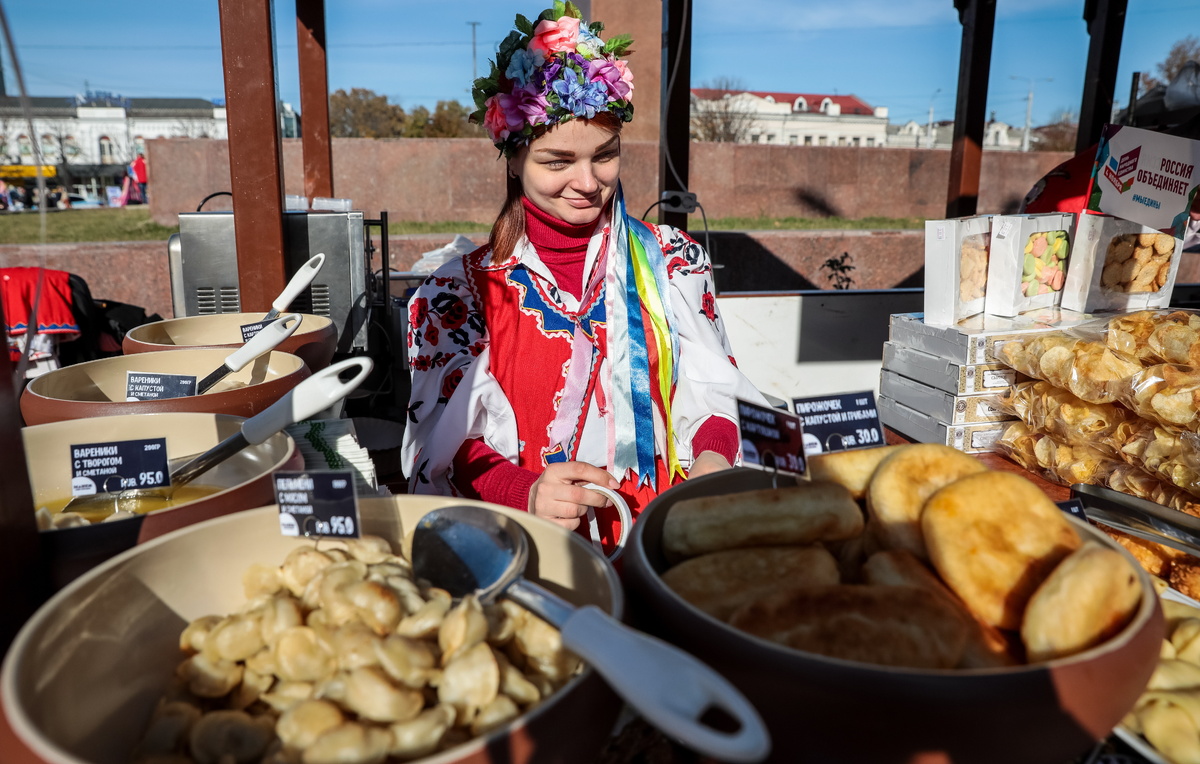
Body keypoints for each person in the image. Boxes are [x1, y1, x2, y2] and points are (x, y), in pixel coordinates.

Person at [400, 1, 767, 556]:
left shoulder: (671, 262)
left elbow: (717, 388)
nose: (588, 182)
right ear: (513, 159)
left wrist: (714, 460)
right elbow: (443, 443)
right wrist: (525, 492)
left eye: (606, 156)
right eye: (557, 161)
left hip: (667, 544)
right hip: (536, 552)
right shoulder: (455, 295)